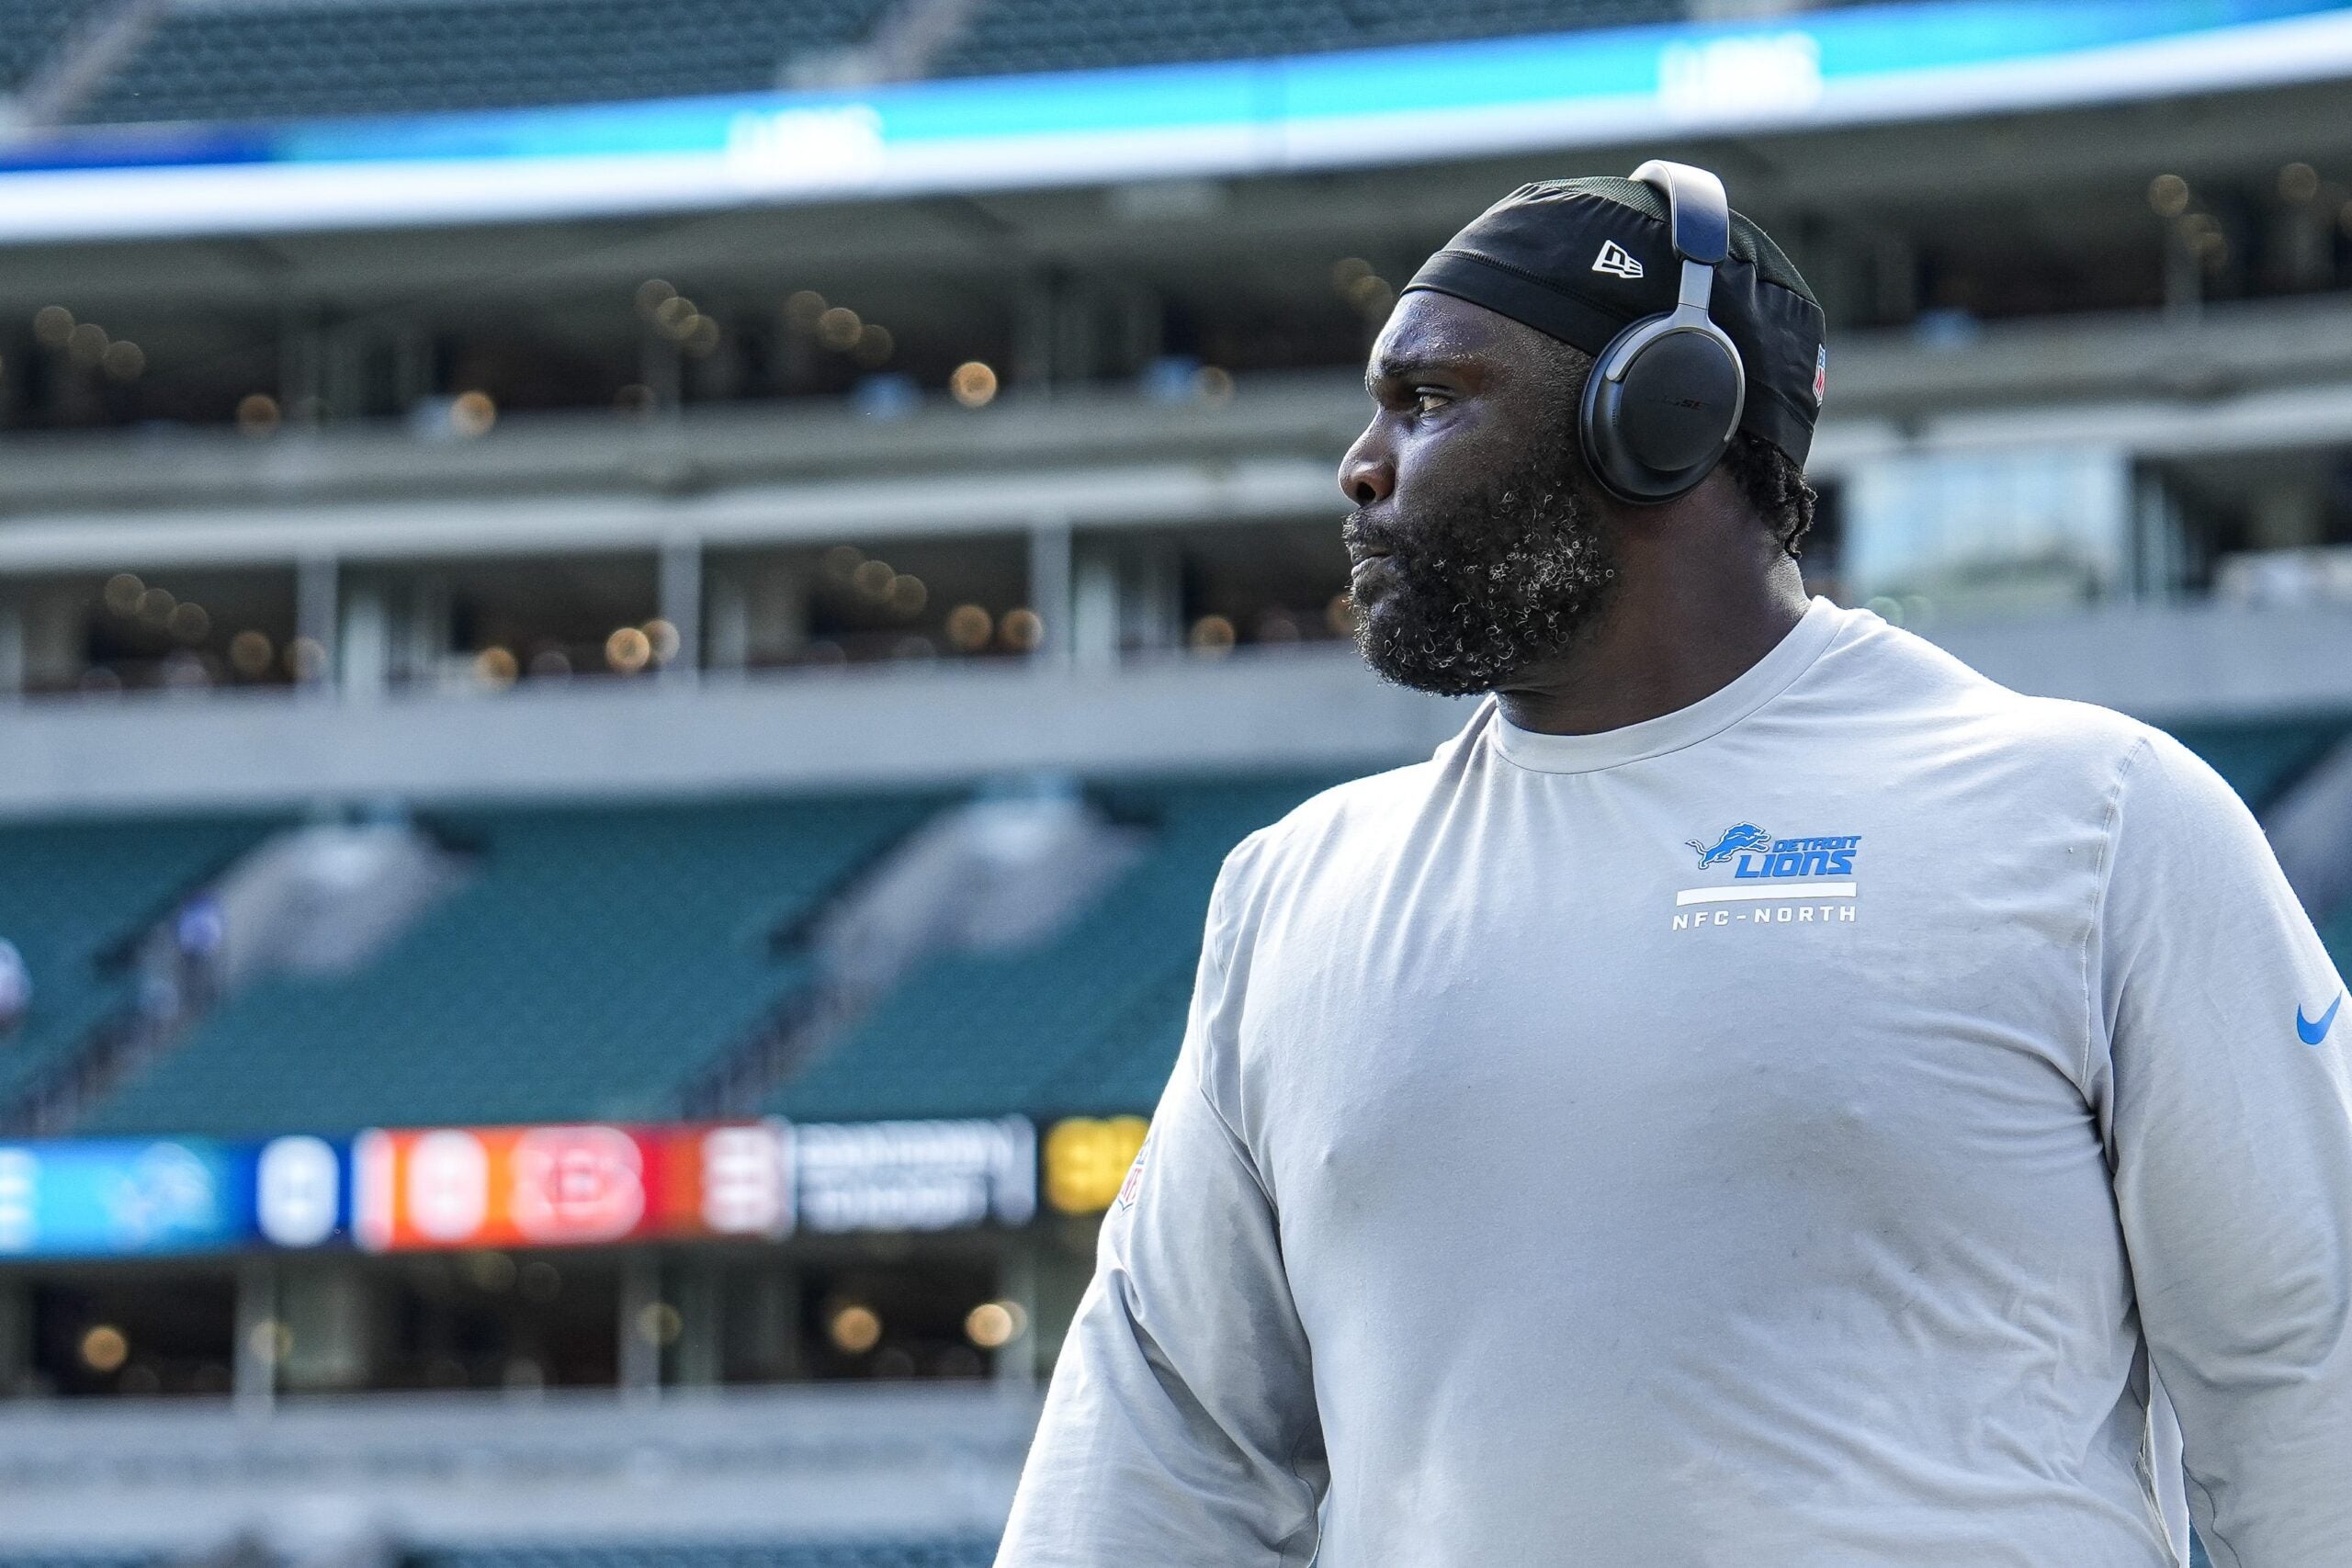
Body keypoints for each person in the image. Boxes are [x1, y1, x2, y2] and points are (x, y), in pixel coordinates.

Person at [995, 164, 2352, 1567]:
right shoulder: (1295, 887)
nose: (1362, 463)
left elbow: (2307, 1374)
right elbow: (1160, 1446)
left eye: (1430, 400)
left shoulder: (2098, 817)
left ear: (1662, 414)